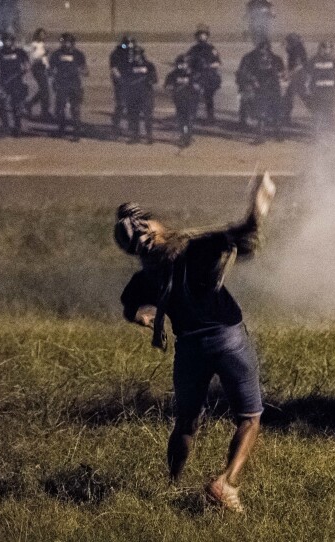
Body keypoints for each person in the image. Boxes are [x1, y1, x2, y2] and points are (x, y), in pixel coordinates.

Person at [115, 174, 276, 513]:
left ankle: (172, 484)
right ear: (153, 227)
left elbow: (130, 309)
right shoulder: (195, 249)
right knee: (250, 418)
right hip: (228, 339)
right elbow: (243, 232)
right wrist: (258, 204)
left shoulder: (145, 278)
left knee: (186, 422)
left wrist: (145, 318)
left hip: (189, 348)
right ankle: (226, 483)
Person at [236, 39, 285, 138]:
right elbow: (244, 72)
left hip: (273, 88)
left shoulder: (276, 59)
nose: (264, 51)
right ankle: (261, 135)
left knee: (275, 110)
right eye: (262, 49)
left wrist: (280, 76)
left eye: (266, 49)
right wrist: (252, 81)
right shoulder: (251, 58)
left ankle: (277, 133)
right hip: (261, 88)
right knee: (261, 112)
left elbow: (282, 73)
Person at [0, 31, 29, 137]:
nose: (7, 42)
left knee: (16, 105)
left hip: (17, 82)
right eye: (5, 40)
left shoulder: (20, 52)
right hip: (3, 82)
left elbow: (27, 65)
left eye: (9, 40)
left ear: (13, 41)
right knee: (0, 103)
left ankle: (17, 127)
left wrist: (25, 69)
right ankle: (5, 127)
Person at [49, 32, 88, 141]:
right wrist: (51, 73)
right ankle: (61, 129)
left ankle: (76, 132)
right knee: (60, 109)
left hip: (74, 83)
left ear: (72, 43)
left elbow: (85, 70)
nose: (66, 44)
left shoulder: (79, 54)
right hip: (61, 83)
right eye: (64, 42)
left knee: (75, 109)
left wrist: (82, 71)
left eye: (68, 42)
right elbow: (51, 69)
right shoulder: (56, 54)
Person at [186, 24, 222, 123]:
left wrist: (208, 66)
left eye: (203, 35)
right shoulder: (193, 49)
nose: (201, 37)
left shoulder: (211, 49)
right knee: (194, 97)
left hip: (209, 76)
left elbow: (218, 63)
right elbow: (187, 61)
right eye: (199, 35)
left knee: (208, 97)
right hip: (197, 75)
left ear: (207, 36)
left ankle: (210, 117)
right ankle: (192, 117)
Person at [164, 54, 202, 148]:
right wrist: (170, 88)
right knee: (181, 119)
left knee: (189, 118)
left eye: (183, 64)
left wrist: (194, 85)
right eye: (179, 64)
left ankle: (187, 136)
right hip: (179, 100)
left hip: (191, 100)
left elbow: (200, 87)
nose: (181, 66)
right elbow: (167, 85)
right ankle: (183, 134)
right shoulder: (173, 74)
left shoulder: (194, 74)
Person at [122, 45, 157, 144]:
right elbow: (124, 79)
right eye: (133, 55)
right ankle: (135, 136)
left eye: (137, 54)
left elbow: (154, 79)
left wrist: (148, 80)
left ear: (141, 55)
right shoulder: (128, 66)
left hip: (146, 94)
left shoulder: (149, 65)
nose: (135, 56)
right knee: (133, 116)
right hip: (133, 94)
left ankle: (149, 136)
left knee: (147, 116)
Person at [307, 41, 335, 133]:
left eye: (328, 48)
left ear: (331, 49)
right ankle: (317, 133)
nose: (326, 50)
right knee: (317, 112)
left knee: (329, 112)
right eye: (324, 48)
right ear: (320, 48)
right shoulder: (313, 60)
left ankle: (328, 132)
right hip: (317, 91)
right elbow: (309, 74)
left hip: (329, 91)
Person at [25, 28, 52, 120]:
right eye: (41, 34)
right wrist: (44, 54)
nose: (43, 36)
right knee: (45, 90)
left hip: (42, 68)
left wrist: (48, 67)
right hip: (37, 68)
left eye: (44, 34)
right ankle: (43, 111)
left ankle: (30, 104)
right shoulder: (35, 44)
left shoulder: (41, 44)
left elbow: (44, 59)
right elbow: (33, 57)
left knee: (44, 90)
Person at [109, 35, 134, 134]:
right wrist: (120, 79)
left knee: (132, 105)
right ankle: (116, 124)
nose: (128, 46)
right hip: (121, 82)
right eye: (126, 44)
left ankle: (132, 126)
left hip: (133, 82)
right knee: (121, 104)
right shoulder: (116, 53)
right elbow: (114, 68)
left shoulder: (135, 53)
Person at [282, 33, 309, 125]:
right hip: (299, 77)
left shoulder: (296, 51)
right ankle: (317, 113)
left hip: (299, 77)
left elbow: (298, 66)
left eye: (288, 42)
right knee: (300, 96)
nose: (286, 44)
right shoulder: (297, 50)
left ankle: (318, 114)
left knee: (290, 97)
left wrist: (289, 74)